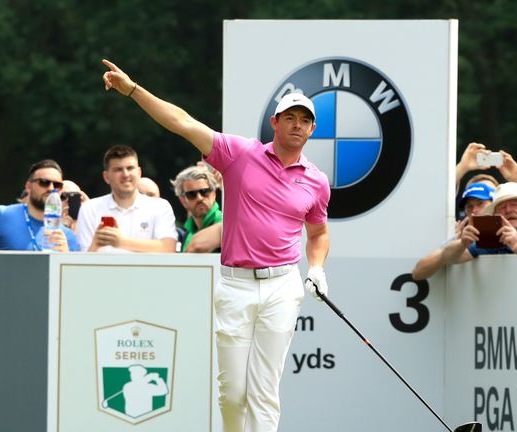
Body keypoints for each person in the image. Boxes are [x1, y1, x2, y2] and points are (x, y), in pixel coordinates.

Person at [102, 59, 330, 432]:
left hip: (282, 286)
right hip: (236, 284)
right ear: (275, 122)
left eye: (304, 120)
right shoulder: (239, 153)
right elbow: (183, 122)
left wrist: (317, 268)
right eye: (290, 117)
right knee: (233, 393)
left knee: (265, 391)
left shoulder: (316, 181)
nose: (297, 125)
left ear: (312, 129)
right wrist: (131, 89)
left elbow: (318, 233)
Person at [76, 145, 178, 253]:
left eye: (130, 168)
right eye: (118, 170)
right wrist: (96, 244)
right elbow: (83, 260)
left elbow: (168, 248)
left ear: (139, 172)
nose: (125, 174)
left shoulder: (160, 206)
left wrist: (121, 242)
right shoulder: (89, 209)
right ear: (106, 177)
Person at [0, 159, 78, 251]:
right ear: (28, 187)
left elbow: (74, 276)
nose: (50, 188)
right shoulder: (2, 216)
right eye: (44, 182)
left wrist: (65, 256)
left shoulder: (67, 236)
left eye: (57, 185)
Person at [412, 181, 495, 280]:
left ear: (494, 206)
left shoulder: (510, 230)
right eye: (469, 206)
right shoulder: (460, 238)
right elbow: (417, 273)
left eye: (480, 204)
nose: (474, 210)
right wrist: (460, 244)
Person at [171, 165, 223, 252]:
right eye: (191, 194)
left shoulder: (226, 223)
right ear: (183, 201)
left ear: (214, 194)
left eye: (204, 192)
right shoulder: (186, 235)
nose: (199, 198)